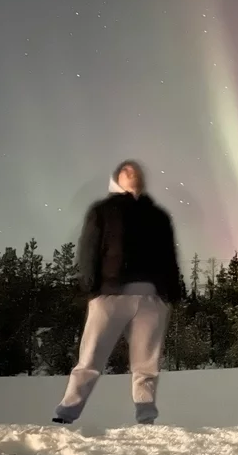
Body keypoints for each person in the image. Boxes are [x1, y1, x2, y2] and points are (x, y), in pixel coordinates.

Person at [53, 160, 182, 426]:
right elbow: (88, 247)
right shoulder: (103, 211)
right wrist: (91, 287)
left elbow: (169, 256)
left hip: (150, 300)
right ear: (116, 180)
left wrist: (171, 293)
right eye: (125, 170)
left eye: (135, 170)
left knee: (146, 365)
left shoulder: (158, 215)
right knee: (89, 359)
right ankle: (66, 414)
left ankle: (146, 417)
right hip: (109, 296)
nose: (131, 172)